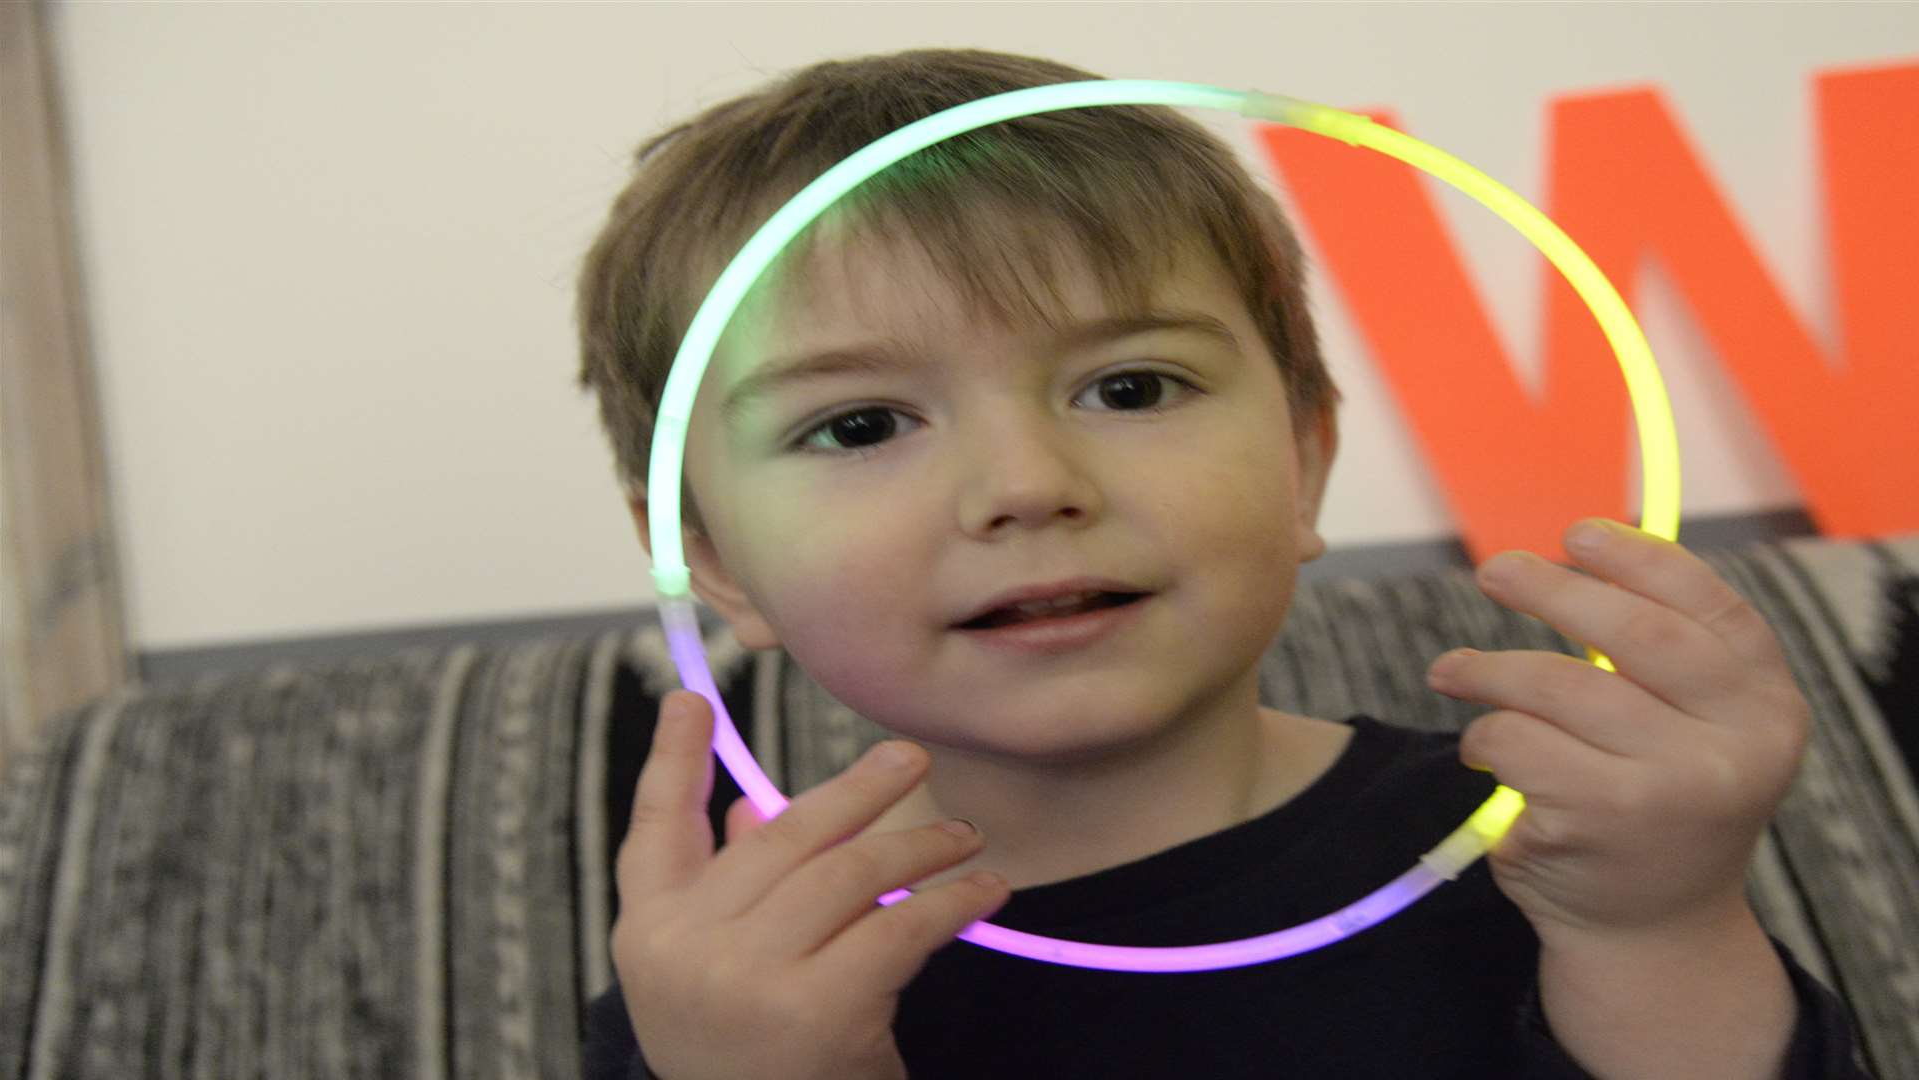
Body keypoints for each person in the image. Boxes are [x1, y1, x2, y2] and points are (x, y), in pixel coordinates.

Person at [574, 47, 1867, 1080]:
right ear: (710, 560)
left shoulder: (1553, 844)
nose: (1029, 487)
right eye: (859, 426)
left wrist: (1659, 929)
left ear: (1304, 459)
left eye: (1131, 387)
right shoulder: (725, 984)